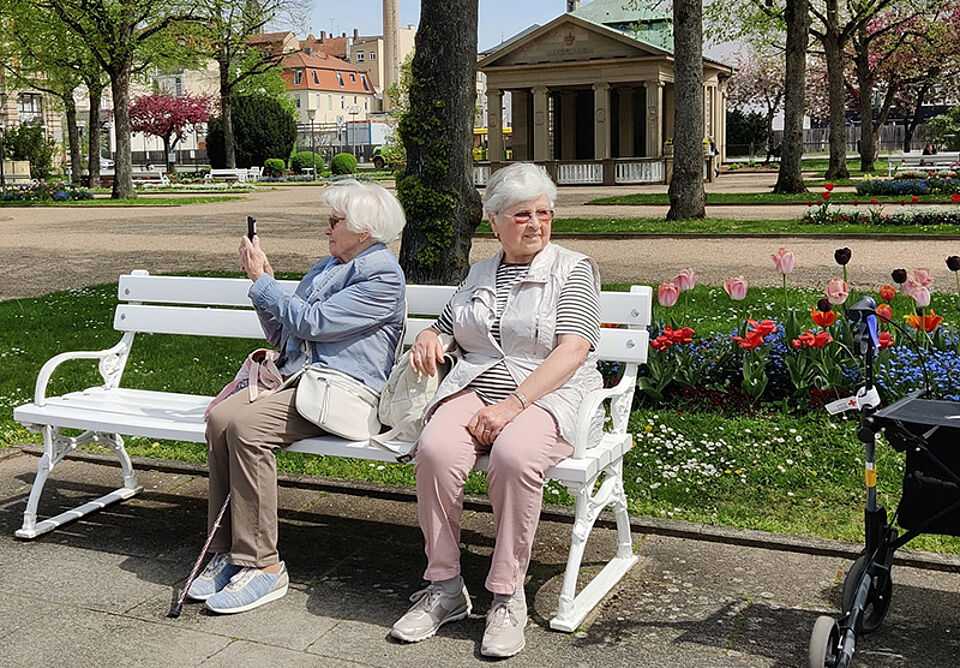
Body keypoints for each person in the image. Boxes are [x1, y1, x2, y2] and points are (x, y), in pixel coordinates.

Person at [390, 163, 602, 658]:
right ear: (494, 221)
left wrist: (513, 405)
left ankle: (508, 595)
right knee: (437, 450)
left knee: (512, 457)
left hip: (548, 391)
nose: (536, 224)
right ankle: (444, 588)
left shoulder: (573, 269)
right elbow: (449, 324)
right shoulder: (481, 271)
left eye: (544, 213)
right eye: (522, 214)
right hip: (476, 385)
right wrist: (428, 335)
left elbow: (572, 351)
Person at [190, 179, 407, 614]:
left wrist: (263, 282)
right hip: (300, 383)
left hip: (343, 391)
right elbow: (288, 333)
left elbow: (314, 323)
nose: (326, 229)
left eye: (334, 221)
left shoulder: (383, 275)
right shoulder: (326, 267)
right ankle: (229, 550)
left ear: (364, 230)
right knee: (219, 420)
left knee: (248, 429)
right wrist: (264, 288)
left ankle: (265, 567)